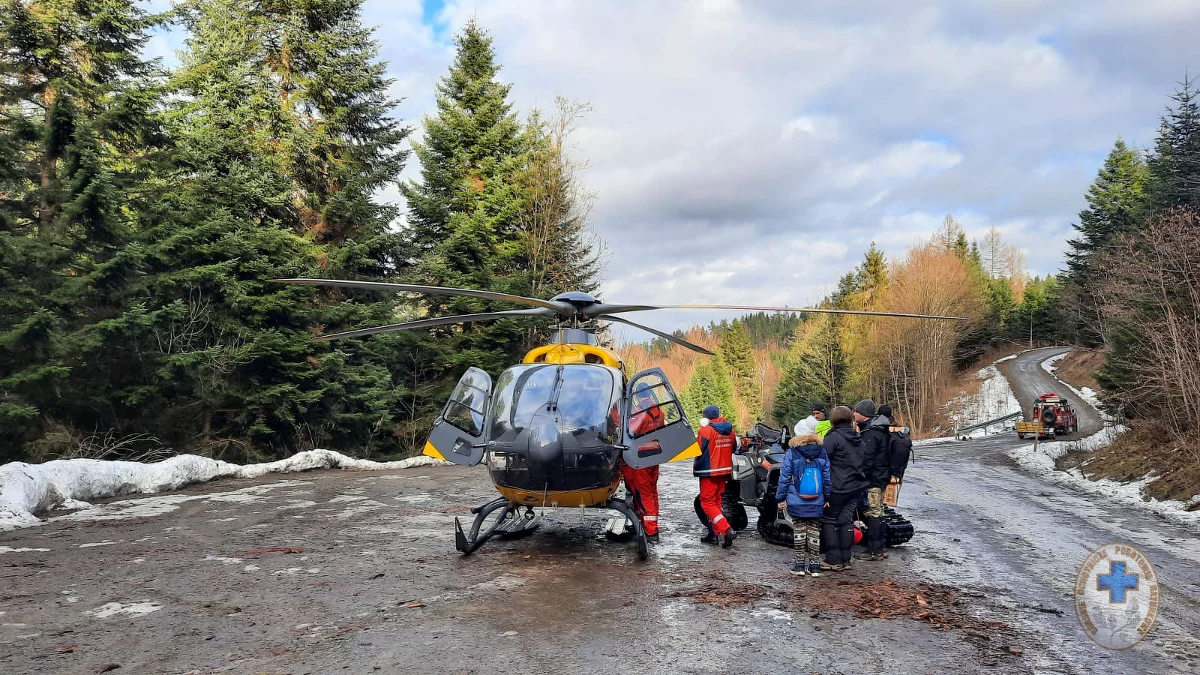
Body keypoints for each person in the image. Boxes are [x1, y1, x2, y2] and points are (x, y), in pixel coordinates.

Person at [820, 405, 867, 571]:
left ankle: (833, 559)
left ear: (832, 420)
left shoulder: (832, 437)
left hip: (838, 486)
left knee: (829, 520)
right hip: (856, 486)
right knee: (846, 520)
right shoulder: (857, 436)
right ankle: (846, 559)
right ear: (849, 419)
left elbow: (823, 461)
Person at [776, 434, 831, 577]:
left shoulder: (792, 452)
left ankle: (799, 565)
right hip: (817, 498)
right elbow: (826, 477)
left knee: (799, 531)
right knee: (814, 531)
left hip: (796, 498)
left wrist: (780, 498)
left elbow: (784, 477)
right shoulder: (822, 452)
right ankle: (814, 567)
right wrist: (827, 496)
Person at [622, 382, 665, 543]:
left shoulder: (639, 411)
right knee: (652, 491)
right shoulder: (660, 411)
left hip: (641, 456)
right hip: (656, 455)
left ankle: (651, 530)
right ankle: (649, 523)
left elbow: (631, 431)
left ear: (637, 396)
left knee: (644, 492)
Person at [694, 404, 738, 548]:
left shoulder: (705, 430)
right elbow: (734, 448)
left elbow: (698, 449)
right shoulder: (730, 430)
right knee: (716, 502)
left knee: (707, 503)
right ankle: (714, 534)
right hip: (724, 471)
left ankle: (726, 530)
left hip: (710, 472)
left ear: (706, 417)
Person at [853, 399, 891, 562]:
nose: (853, 414)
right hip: (881, 476)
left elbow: (867, 459)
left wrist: (859, 475)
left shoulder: (871, 433)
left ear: (863, 415)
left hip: (873, 479)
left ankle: (873, 550)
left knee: (873, 512)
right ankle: (879, 548)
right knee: (879, 512)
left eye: (856, 412)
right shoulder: (879, 429)